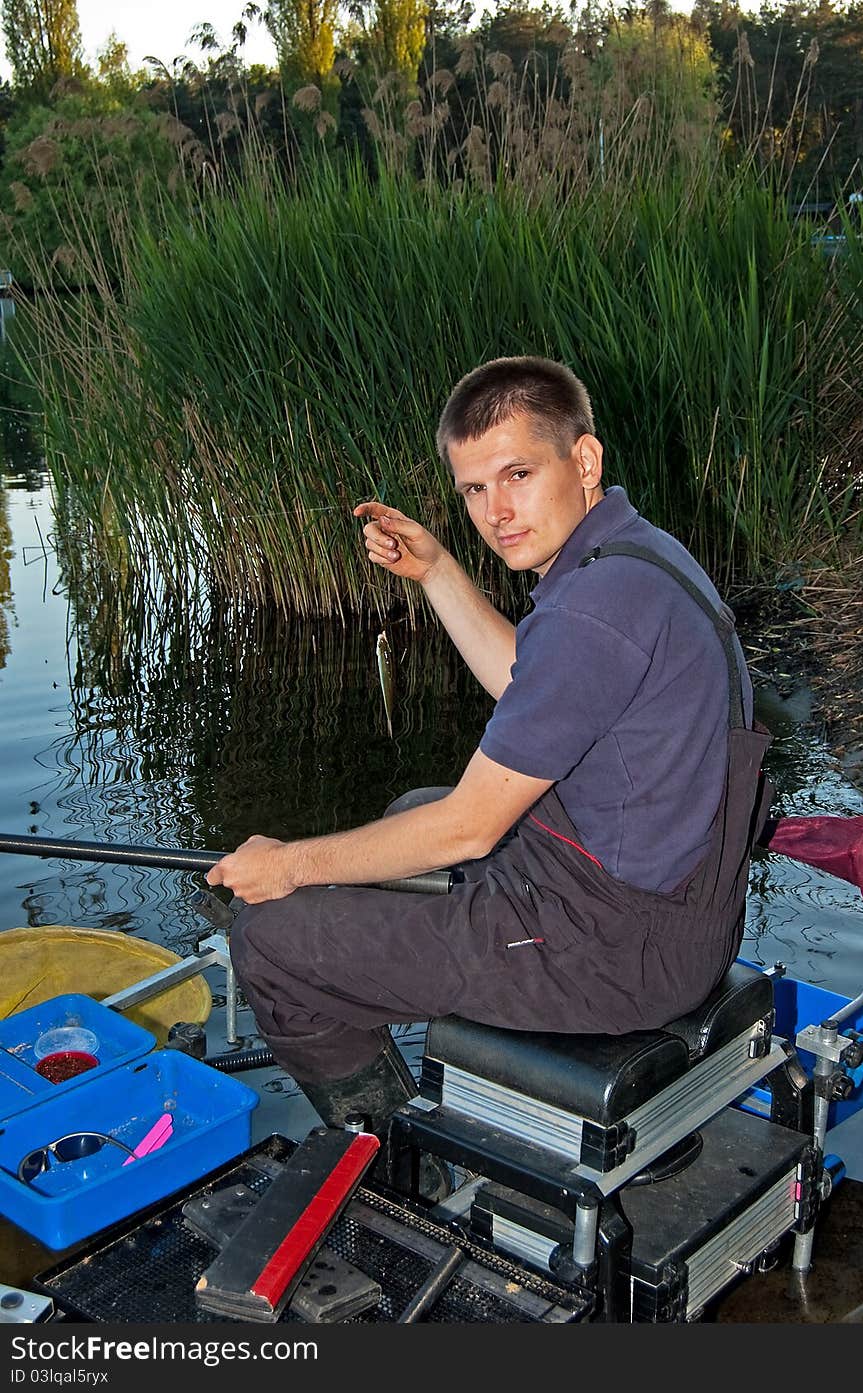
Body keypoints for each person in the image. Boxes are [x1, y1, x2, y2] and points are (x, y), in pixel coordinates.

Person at [206, 356, 771, 1144]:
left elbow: (472, 826)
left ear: (583, 459)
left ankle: (400, 1166)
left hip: (615, 948)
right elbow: (531, 683)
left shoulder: (594, 610)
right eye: (474, 488)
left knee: (269, 942)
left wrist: (288, 864)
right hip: (667, 910)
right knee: (410, 813)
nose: (496, 510)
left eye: (517, 473)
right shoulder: (637, 558)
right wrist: (438, 571)